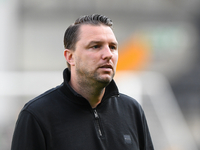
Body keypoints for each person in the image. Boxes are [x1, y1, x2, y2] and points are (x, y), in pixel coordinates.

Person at [11, 14, 154, 150]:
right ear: (70, 57)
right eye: (95, 46)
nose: (108, 55)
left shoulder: (132, 110)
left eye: (112, 47)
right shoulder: (36, 115)